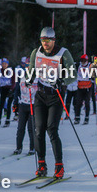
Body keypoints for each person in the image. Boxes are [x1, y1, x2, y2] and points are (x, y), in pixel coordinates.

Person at [28, 27, 75, 178]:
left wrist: (62, 81)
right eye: (43, 40)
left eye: (48, 40)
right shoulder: (36, 52)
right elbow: (32, 70)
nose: (45, 43)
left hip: (56, 96)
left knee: (52, 129)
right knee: (38, 130)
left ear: (54, 40)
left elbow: (73, 74)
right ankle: (41, 164)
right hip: (41, 95)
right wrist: (29, 79)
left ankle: (59, 166)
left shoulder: (63, 53)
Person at [13, 57, 36, 155]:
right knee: (20, 128)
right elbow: (17, 91)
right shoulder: (21, 76)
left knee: (31, 128)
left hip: (33, 105)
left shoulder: (37, 77)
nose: (28, 67)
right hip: (23, 104)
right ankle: (18, 148)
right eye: (27, 65)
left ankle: (32, 148)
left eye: (30, 65)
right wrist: (15, 103)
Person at [0, 57, 14, 127]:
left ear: (7, 64)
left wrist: (11, 90)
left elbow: (14, 82)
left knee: (8, 105)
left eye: (5, 64)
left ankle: (7, 121)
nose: (4, 65)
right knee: (1, 105)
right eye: (3, 64)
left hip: (10, 89)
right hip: (3, 89)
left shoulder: (11, 71)